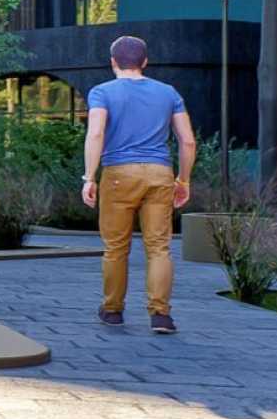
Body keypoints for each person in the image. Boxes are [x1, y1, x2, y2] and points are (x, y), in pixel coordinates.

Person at [82, 34, 196, 335]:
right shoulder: (169, 93)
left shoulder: (102, 92)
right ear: (145, 62)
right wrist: (183, 180)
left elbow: (95, 134)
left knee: (116, 247)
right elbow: (187, 141)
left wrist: (89, 177)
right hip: (160, 174)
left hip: (119, 175)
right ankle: (161, 315)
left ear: (113, 62)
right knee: (159, 247)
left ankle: (112, 310)